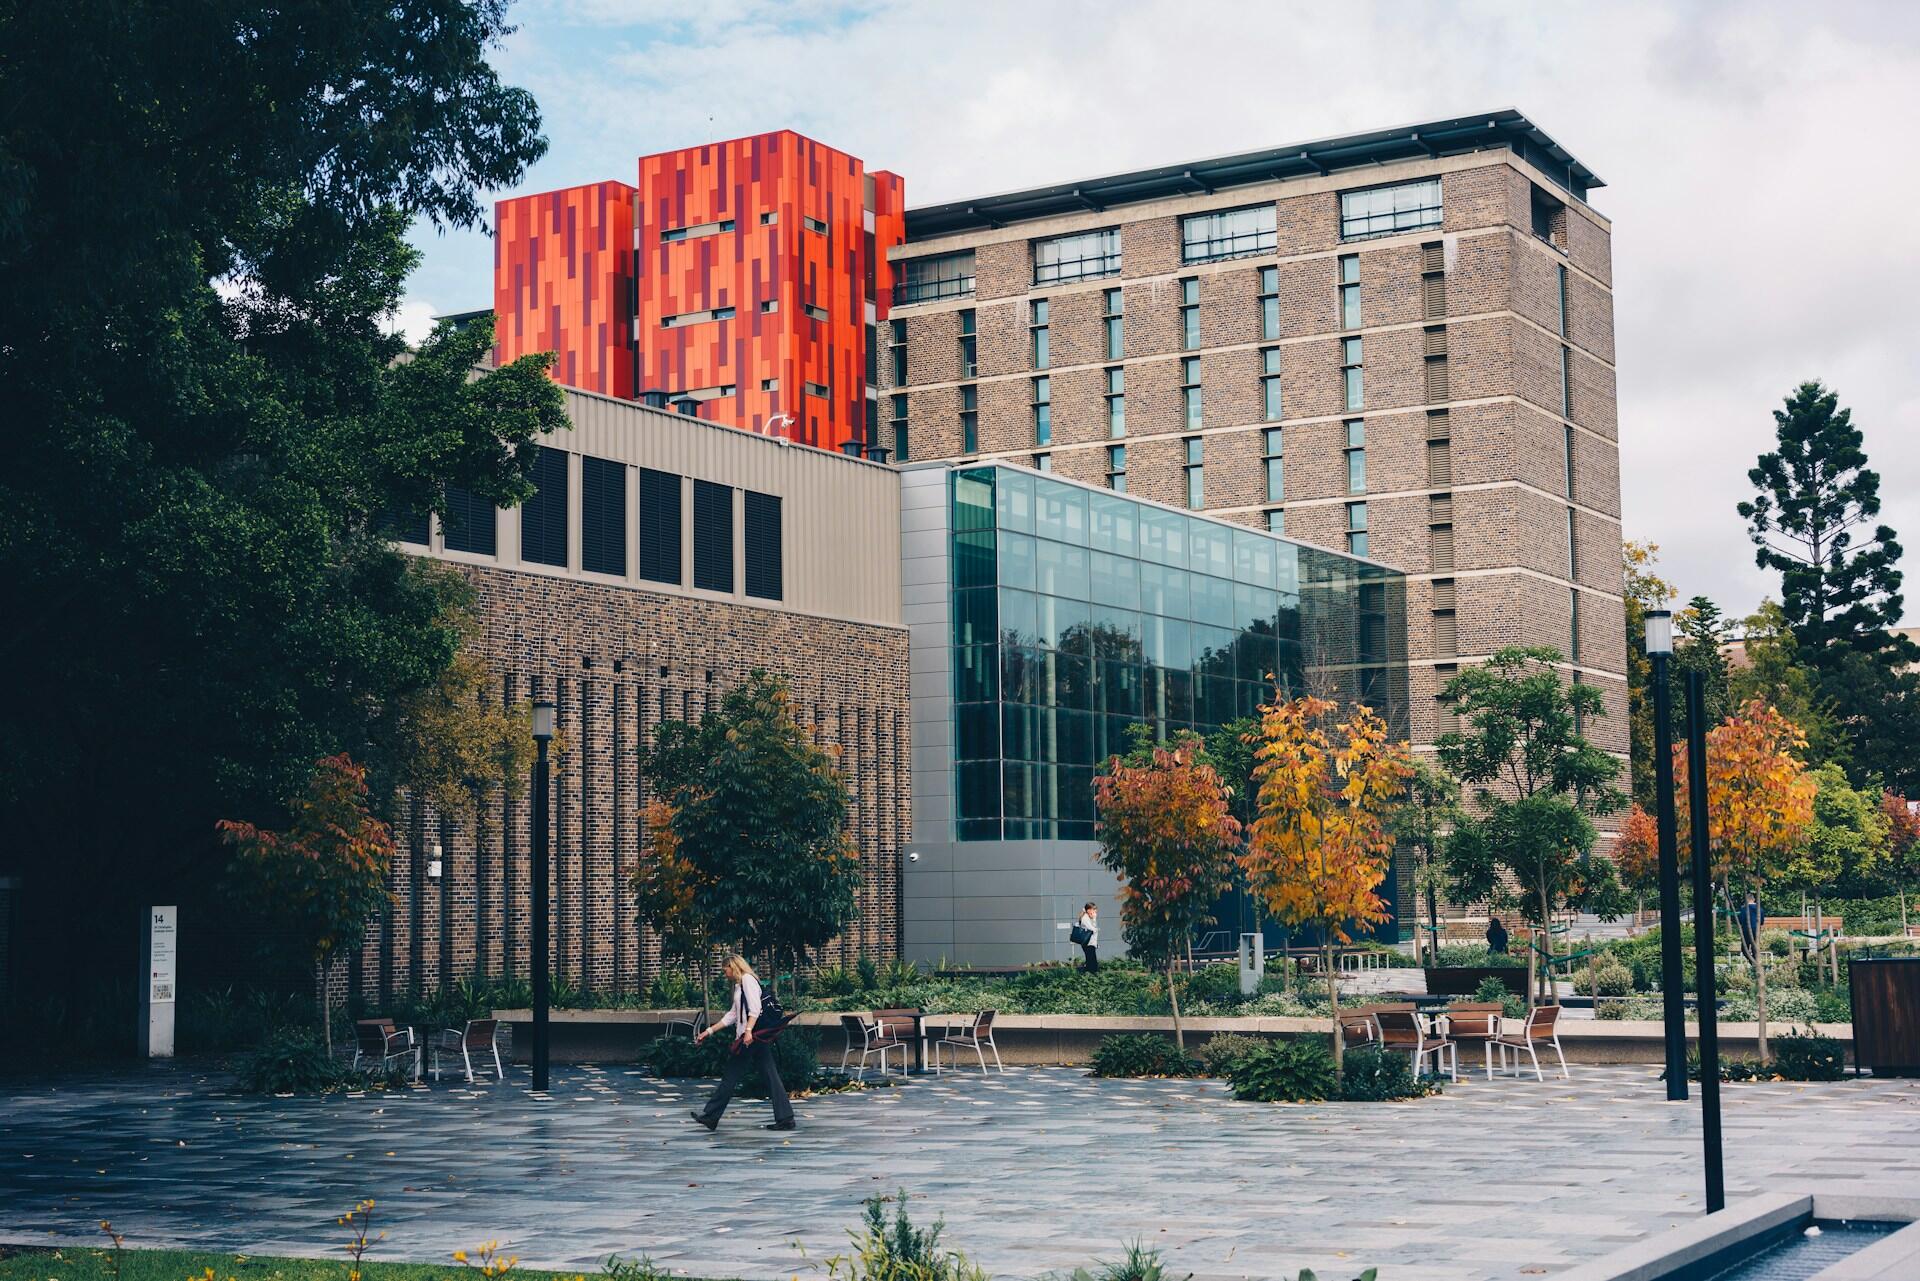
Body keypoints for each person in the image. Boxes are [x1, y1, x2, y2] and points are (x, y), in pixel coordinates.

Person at [689, 956, 795, 1133]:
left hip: (750, 1038)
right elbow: (732, 1015)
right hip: (752, 1037)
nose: (725, 974)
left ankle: (711, 1116)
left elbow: (755, 1009)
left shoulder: (747, 980)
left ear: (733, 967)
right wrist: (708, 1032)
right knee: (770, 1075)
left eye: (726, 970)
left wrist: (747, 1032)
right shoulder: (740, 985)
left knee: (731, 1076)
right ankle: (785, 1118)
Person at [1737, 892, 1763, 966]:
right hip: (1756, 931)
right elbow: (1761, 922)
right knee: (1755, 949)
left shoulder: (1743, 909)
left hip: (1746, 930)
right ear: (1754, 899)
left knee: (1744, 949)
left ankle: (1752, 963)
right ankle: (1756, 964)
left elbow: (1741, 920)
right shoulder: (1760, 909)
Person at [1077, 902, 1099, 973]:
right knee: (1092, 960)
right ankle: (1091, 974)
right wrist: (1094, 919)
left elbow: (1093, 927)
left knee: (1090, 959)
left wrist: (1093, 919)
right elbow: (1092, 928)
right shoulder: (1085, 918)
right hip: (1088, 942)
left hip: (1090, 942)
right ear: (1089, 910)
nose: (1095, 911)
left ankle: (1089, 974)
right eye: (1094, 909)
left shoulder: (1088, 917)